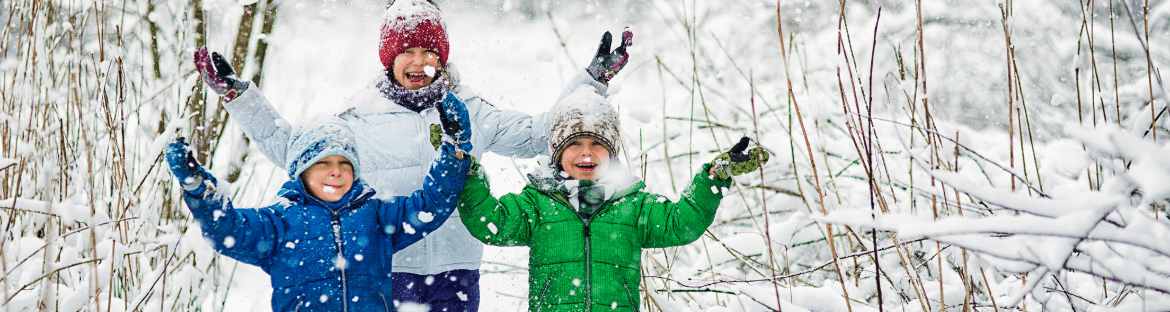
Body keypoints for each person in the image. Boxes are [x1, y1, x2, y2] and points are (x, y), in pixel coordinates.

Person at [192, 0, 633, 309]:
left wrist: (591, 82)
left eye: (429, 52)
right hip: (393, 267)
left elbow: (542, 134)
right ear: (389, 59)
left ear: (442, 57)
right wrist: (238, 96)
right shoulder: (357, 118)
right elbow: (294, 149)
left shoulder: (471, 111)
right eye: (408, 51)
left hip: (459, 267)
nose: (419, 62)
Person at [455, 87, 770, 311]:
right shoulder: (537, 204)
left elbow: (681, 224)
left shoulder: (632, 206)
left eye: (597, 143)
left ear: (612, 153)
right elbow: (492, 224)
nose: (587, 152)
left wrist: (714, 177)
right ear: (556, 152)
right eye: (574, 143)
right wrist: (468, 177)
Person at [162, 96, 473, 311]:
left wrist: (455, 150)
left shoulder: (376, 215)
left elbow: (432, 205)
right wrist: (198, 188)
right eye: (323, 163)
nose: (335, 171)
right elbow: (227, 230)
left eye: (344, 163)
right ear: (302, 169)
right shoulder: (280, 222)